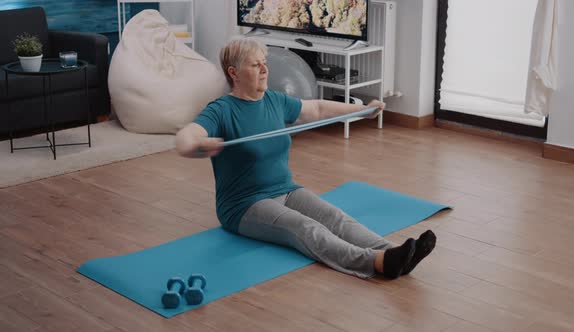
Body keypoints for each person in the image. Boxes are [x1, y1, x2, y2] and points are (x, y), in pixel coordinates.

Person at [176, 38, 436, 279]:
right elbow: (187, 135)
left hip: (285, 190)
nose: (264, 69)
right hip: (243, 205)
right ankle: (376, 262)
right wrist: (196, 144)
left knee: (335, 217)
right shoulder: (221, 110)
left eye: (264, 62)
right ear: (234, 73)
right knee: (305, 227)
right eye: (255, 65)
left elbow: (318, 108)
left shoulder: (274, 100)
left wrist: (363, 111)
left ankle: (396, 252)